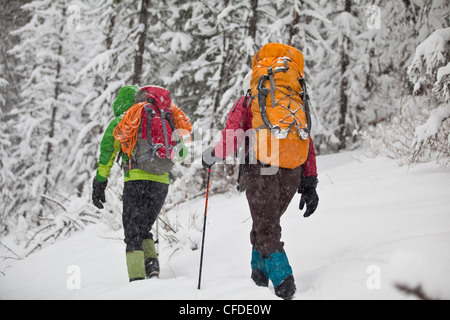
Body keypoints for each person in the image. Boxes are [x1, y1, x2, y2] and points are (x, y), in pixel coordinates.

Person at [202, 71, 319, 300]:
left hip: (262, 169)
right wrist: (309, 181)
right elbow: (307, 142)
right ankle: (258, 276)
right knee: (264, 224)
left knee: (266, 230)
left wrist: (212, 155)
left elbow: (232, 136)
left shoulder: (248, 101)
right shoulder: (291, 106)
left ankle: (286, 286)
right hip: (292, 172)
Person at [92, 85, 192, 282]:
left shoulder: (124, 120)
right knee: (144, 227)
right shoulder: (161, 116)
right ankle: (152, 269)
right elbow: (182, 153)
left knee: (132, 233)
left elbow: (107, 155)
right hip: (161, 182)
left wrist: (100, 182)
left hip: (136, 180)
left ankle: (137, 281)